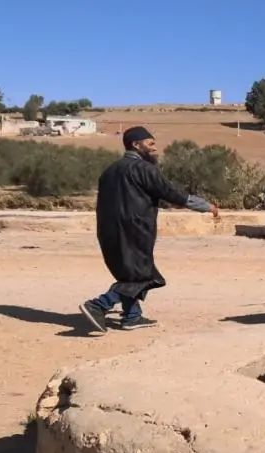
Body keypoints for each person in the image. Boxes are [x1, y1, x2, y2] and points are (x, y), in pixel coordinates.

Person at [78, 126, 219, 333]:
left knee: (129, 272)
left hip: (107, 230)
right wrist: (207, 206)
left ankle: (132, 317)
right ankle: (99, 305)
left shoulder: (109, 170)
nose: (154, 148)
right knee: (142, 275)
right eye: (150, 144)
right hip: (134, 229)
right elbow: (172, 193)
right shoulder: (144, 169)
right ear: (136, 145)